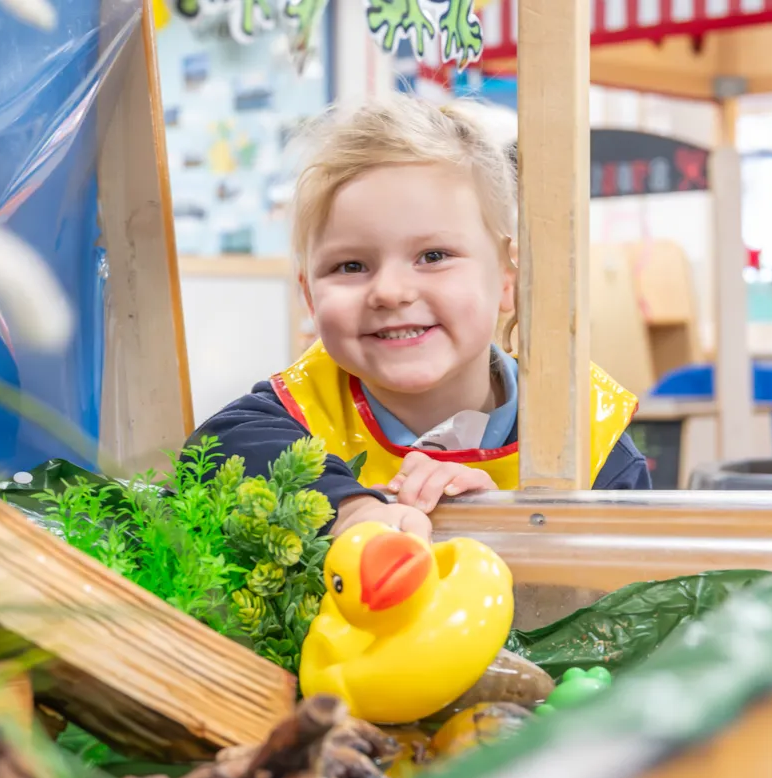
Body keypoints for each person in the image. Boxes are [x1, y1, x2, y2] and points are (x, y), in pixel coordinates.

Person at [189, 93, 651, 540]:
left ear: (509, 279)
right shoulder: (295, 412)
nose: (390, 292)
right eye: (350, 266)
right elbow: (212, 457)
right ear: (309, 297)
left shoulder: (591, 440)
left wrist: (505, 531)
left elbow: (627, 601)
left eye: (433, 255)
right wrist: (351, 509)